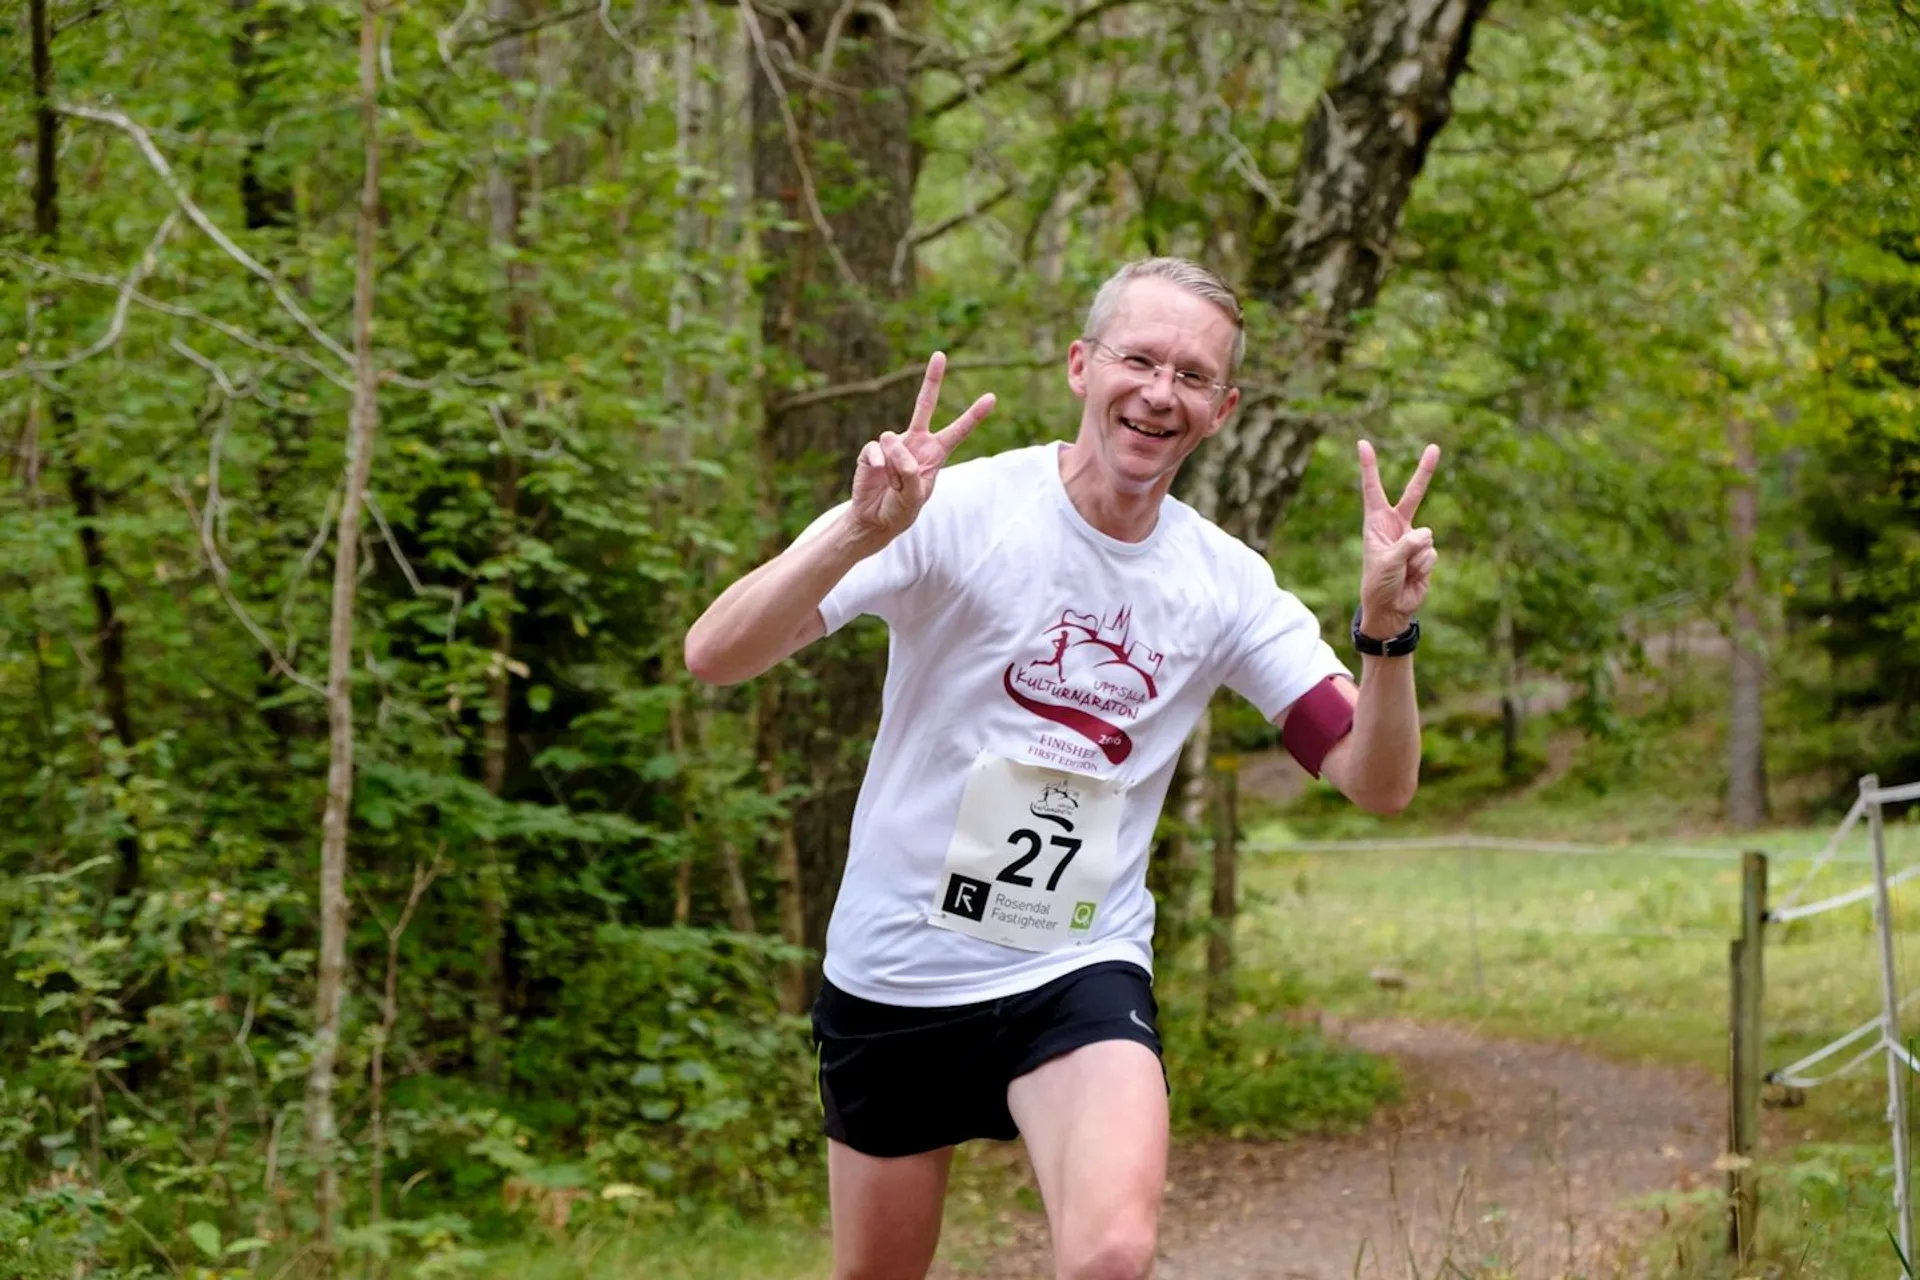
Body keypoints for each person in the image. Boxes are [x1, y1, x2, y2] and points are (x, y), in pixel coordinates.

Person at [684, 257, 1439, 1280]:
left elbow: (1374, 775)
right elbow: (715, 653)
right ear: (1082, 365)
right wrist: (859, 530)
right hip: (899, 965)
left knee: (1112, 1253)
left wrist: (1385, 638)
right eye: (1139, 358)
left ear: (1223, 408)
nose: (1160, 392)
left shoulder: (1222, 582)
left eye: (1193, 375)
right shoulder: (946, 509)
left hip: (1072, 964)